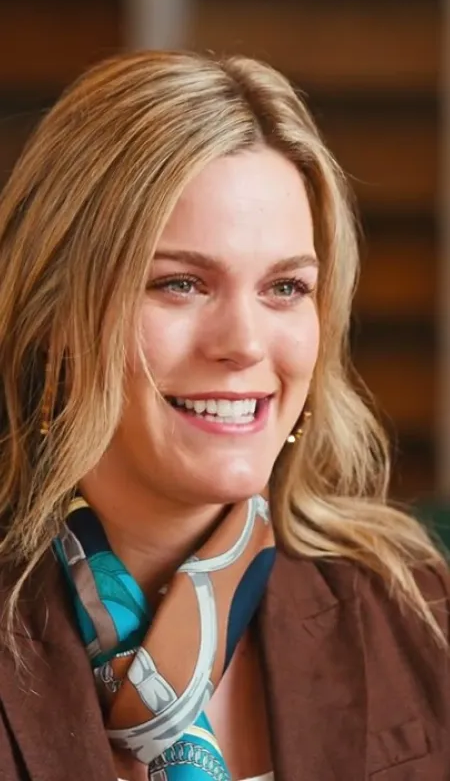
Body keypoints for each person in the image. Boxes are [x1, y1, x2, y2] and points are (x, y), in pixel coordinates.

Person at [0, 50, 448, 781]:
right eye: (180, 283)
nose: (244, 343)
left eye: (285, 288)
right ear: (56, 318)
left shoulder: (418, 612)